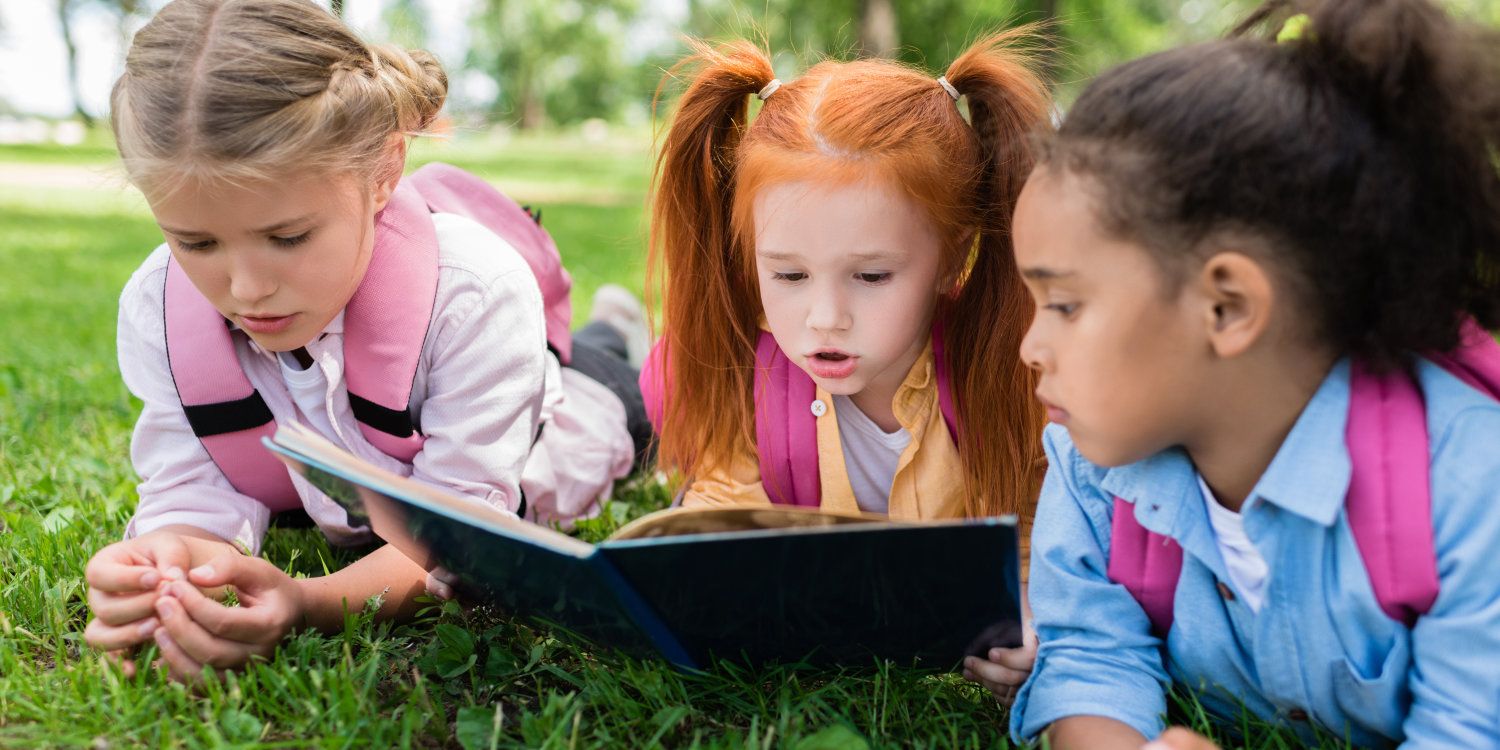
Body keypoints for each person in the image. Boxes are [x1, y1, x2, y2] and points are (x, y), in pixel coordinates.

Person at [81, 0, 645, 681]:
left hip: (551, 420)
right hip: (366, 458)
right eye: (195, 242)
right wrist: (167, 566)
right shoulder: (157, 307)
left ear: (382, 173)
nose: (247, 287)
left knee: (620, 396)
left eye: (288, 238)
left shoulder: (477, 294)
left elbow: (463, 540)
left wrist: (307, 601)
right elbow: (194, 483)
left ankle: (617, 335)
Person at [1006, 0, 1500, 747]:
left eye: (1066, 304)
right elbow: (1090, 659)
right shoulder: (1090, 467)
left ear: (1227, 307)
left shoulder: (1468, 487)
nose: (1029, 348)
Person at [641, 31, 1052, 700]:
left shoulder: (1011, 380)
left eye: (870, 275)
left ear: (954, 254)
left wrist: (1033, 625)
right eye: (790, 274)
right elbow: (719, 524)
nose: (825, 316)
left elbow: (1039, 547)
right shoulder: (740, 369)